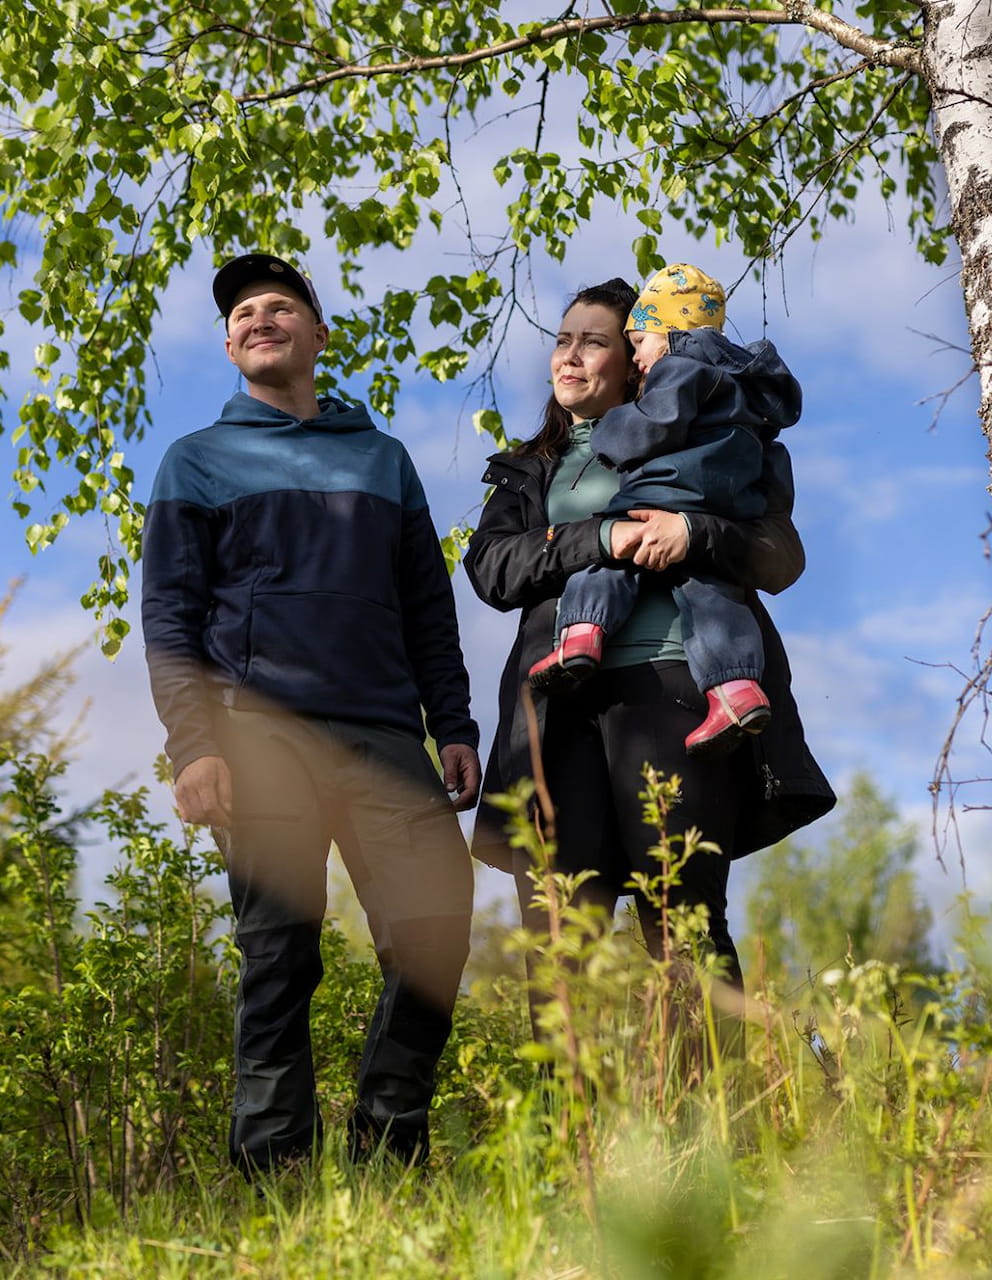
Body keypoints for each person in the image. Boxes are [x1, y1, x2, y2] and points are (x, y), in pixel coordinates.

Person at [141, 251, 480, 1173]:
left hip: (382, 736)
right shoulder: (196, 462)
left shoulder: (383, 460)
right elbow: (169, 618)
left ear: (318, 334)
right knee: (278, 961)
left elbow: (426, 607)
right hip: (257, 742)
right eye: (243, 311)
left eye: (280, 306)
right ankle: (275, 1180)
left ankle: (385, 1146)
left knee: (436, 929)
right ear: (227, 343)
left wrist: (452, 723)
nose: (260, 318)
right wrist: (193, 749)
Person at [465, 276, 835, 1002]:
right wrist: (601, 534)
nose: (570, 356)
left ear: (639, 359)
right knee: (561, 939)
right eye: (562, 339)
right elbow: (492, 569)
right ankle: (566, 1116)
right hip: (558, 708)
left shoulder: (714, 441)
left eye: (595, 341)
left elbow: (778, 556)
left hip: (674, 694)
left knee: (684, 924)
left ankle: (708, 1114)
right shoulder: (530, 468)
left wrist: (692, 531)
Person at [527, 263, 800, 758]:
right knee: (714, 596)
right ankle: (735, 690)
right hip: (727, 503)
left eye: (637, 343)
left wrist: (612, 432)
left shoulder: (679, 369)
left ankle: (581, 634)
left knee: (609, 553)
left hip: (670, 496)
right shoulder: (745, 389)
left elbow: (654, 423)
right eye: (562, 340)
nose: (638, 360)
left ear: (670, 333)